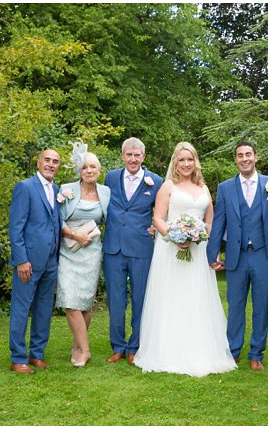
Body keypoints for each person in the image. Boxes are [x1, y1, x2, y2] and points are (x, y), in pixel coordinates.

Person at [134, 142, 237, 377]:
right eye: (181, 160)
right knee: (172, 296)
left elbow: (211, 220)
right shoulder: (167, 186)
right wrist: (174, 236)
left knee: (195, 296)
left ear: (195, 161)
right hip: (170, 251)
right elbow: (158, 218)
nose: (186, 164)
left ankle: (200, 350)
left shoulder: (203, 188)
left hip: (197, 251)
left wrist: (200, 236)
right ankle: (168, 351)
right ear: (175, 163)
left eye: (190, 159)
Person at [207, 141, 268, 370]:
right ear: (236, 160)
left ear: (256, 157)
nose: (244, 158)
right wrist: (212, 253)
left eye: (248, 154)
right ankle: (233, 350)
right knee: (236, 305)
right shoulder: (225, 188)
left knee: (260, 306)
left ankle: (256, 354)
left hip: (262, 254)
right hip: (236, 256)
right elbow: (219, 221)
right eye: (240, 155)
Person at [102, 137, 163, 365]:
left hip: (141, 248)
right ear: (123, 156)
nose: (133, 159)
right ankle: (117, 346)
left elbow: (164, 211)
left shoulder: (155, 181)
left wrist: (156, 227)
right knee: (116, 300)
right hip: (113, 248)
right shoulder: (110, 177)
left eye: (137, 155)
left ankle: (135, 346)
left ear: (143, 157)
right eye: (129, 155)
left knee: (140, 299)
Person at [55, 143, 110, 367]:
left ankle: (78, 346)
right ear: (80, 171)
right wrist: (74, 234)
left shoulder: (106, 192)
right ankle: (85, 350)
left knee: (85, 301)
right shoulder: (66, 189)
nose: (89, 170)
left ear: (99, 170)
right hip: (69, 247)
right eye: (85, 167)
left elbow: (112, 218)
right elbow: (56, 218)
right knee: (69, 300)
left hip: (92, 250)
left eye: (93, 167)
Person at [8, 149, 62, 374]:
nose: (51, 164)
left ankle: (36, 354)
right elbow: (15, 226)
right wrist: (21, 260)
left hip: (51, 261)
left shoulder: (57, 190)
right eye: (47, 160)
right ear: (38, 162)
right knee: (21, 309)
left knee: (43, 309)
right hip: (29, 261)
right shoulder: (25, 187)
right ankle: (17, 357)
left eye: (55, 162)